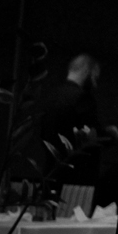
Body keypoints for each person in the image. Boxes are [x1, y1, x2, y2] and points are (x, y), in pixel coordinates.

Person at [40, 53, 111, 185]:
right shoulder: (83, 99)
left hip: (51, 173)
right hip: (76, 178)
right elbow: (92, 136)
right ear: (86, 71)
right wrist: (110, 134)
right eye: (94, 77)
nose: (95, 84)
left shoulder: (51, 98)